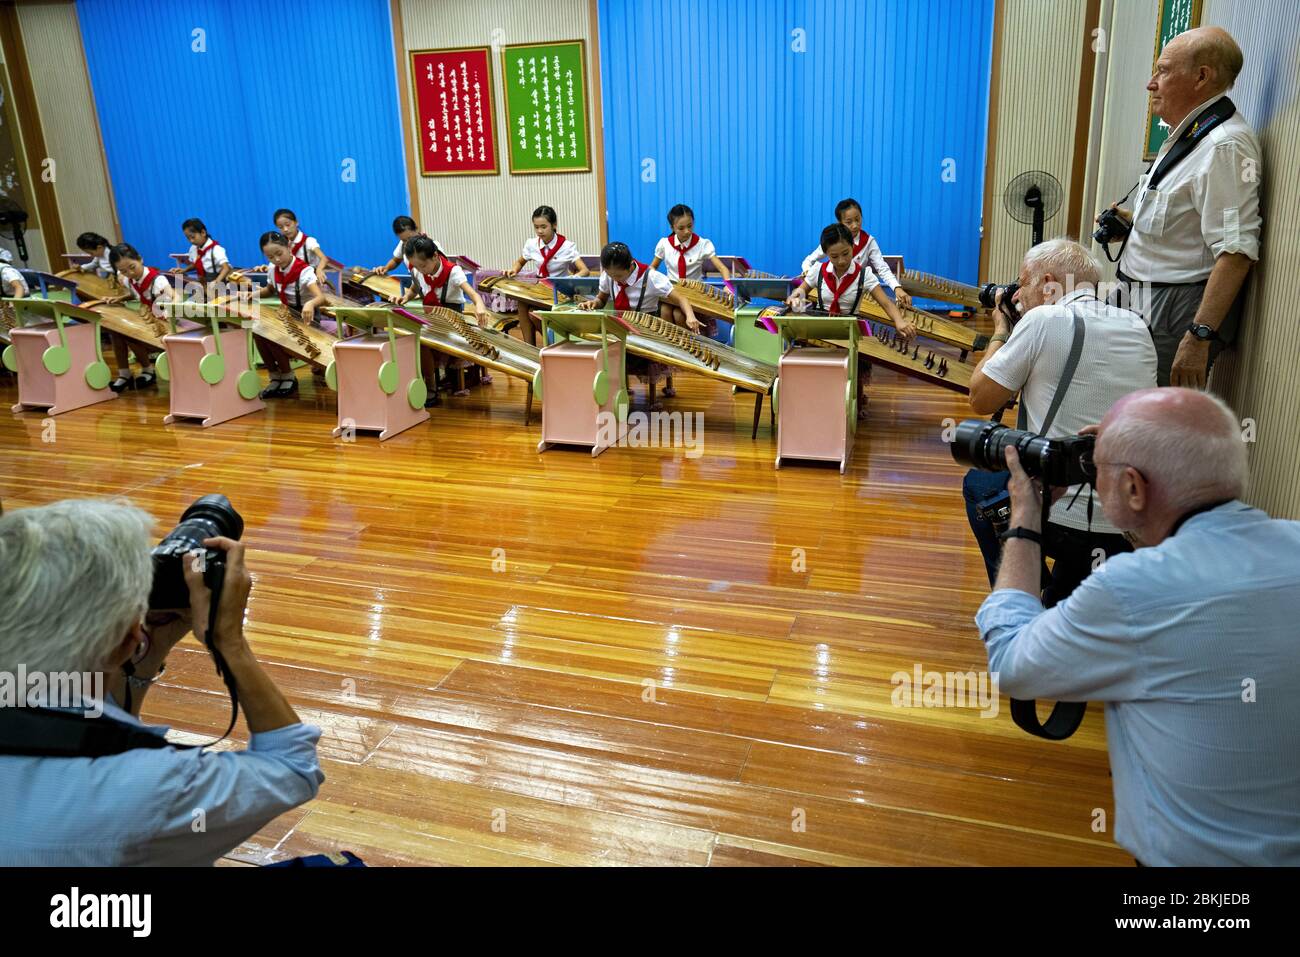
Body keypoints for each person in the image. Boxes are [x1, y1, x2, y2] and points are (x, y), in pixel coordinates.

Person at [977, 388, 1300, 865]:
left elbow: (1012, 662)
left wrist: (1026, 519)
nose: (1093, 478)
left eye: (1099, 469)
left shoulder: (1131, 589)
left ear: (1134, 487)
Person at [0, 499, 323, 866]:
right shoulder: (157, 784)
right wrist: (229, 642)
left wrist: (148, 649)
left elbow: (86, 728)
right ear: (126, 641)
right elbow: (292, 766)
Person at [966, 238, 1157, 592]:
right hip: (1131, 518)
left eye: (1023, 282)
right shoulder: (1136, 326)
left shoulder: (1043, 319)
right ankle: (1061, 591)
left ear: (1048, 282)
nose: (1018, 295)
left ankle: (1019, 587)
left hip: (1061, 517)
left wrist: (1000, 332)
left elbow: (979, 397)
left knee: (978, 484)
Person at [1098, 26, 1260, 388]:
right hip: (1141, 295)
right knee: (1117, 403)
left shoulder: (1224, 146)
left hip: (1175, 309)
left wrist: (1198, 336)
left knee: (1149, 415)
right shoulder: (1191, 134)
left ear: (1202, 77)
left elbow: (1236, 250)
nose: (1151, 83)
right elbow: (1187, 219)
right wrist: (1132, 223)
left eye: (1163, 70)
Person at [787, 223, 917, 417]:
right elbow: (801, 291)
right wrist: (795, 296)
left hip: (849, 331)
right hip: (822, 329)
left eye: (846, 254)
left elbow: (886, 303)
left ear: (853, 248)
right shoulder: (818, 271)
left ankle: (853, 400)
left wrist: (899, 321)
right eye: (834, 256)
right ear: (826, 254)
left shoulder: (864, 275)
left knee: (849, 375)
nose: (841, 260)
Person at [256, 230, 331, 399]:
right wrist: (249, 294)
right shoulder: (272, 269)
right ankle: (275, 377)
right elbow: (270, 290)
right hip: (287, 315)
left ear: (288, 246)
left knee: (273, 335)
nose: (276, 260)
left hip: (307, 316)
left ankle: (288, 377)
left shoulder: (303, 271)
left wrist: (310, 303)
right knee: (257, 332)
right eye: (270, 257)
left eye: (279, 254)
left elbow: (321, 297)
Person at [799, 198, 912, 309]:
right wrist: (808, 273)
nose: (855, 225)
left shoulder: (868, 242)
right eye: (849, 222)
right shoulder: (833, 241)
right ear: (840, 223)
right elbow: (808, 261)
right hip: (832, 291)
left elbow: (882, 268)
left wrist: (897, 287)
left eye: (858, 219)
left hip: (853, 295)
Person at [503, 205, 588, 346]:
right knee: (522, 302)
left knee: (533, 313)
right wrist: (514, 270)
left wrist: (569, 281)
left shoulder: (567, 246)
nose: (539, 231)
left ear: (554, 225)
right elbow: (519, 262)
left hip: (558, 290)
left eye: (543, 227)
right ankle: (529, 348)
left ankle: (553, 345)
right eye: (536, 227)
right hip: (539, 288)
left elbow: (584, 270)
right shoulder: (531, 244)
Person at [101, 243, 173, 392]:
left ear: (140, 259)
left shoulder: (158, 280)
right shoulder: (130, 280)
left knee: (127, 333)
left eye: (132, 267)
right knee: (115, 332)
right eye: (123, 271)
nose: (129, 273)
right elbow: (137, 293)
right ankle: (124, 374)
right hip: (150, 323)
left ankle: (148, 370)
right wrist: (120, 298)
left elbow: (172, 300)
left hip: (166, 325)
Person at [650, 204, 731, 282]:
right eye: (681, 228)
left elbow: (722, 268)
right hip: (672, 292)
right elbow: (652, 268)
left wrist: (728, 286)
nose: (687, 231)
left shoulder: (702, 244)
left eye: (690, 226)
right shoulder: (664, 244)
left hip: (695, 293)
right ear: (672, 228)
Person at [170, 218, 232, 294]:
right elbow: (195, 264)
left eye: (193, 237)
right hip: (203, 283)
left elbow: (226, 268)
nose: (191, 241)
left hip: (217, 285)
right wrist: (184, 270)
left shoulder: (216, 249)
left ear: (203, 233)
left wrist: (217, 281)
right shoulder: (193, 248)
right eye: (188, 238)